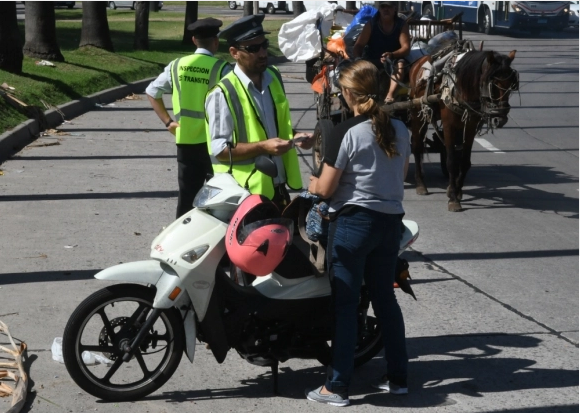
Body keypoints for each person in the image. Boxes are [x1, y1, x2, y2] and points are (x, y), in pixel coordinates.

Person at [305, 59, 410, 407]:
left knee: (346, 306)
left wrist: (312, 182)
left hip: (353, 225)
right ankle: (398, 379)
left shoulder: (346, 131)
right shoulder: (402, 129)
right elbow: (397, 176)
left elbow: (325, 189)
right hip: (390, 224)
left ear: (348, 94)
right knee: (385, 300)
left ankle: (336, 387)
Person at [205, 14, 313, 212]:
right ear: (234, 52)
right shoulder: (223, 93)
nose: (263, 53)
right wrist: (263, 146)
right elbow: (220, 150)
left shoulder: (273, 77)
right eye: (253, 49)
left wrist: (295, 137)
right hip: (244, 194)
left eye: (264, 45)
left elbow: (274, 124)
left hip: (278, 188)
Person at [146, 18, 230, 219]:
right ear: (216, 41)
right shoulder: (222, 68)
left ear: (194, 40)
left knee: (186, 196)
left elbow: (152, 91)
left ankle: (181, 237)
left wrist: (168, 122)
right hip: (215, 143)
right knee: (218, 194)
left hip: (185, 141)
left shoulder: (177, 66)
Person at [353, 1, 411, 103]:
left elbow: (406, 48)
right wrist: (358, 59)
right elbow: (359, 46)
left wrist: (392, 54)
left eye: (389, 7)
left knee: (401, 64)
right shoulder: (371, 24)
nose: (386, 9)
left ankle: (390, 95)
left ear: (395, 9)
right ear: (379, 9)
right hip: (373, 60)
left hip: (393, 60)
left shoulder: (401, 25)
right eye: (383, 7)